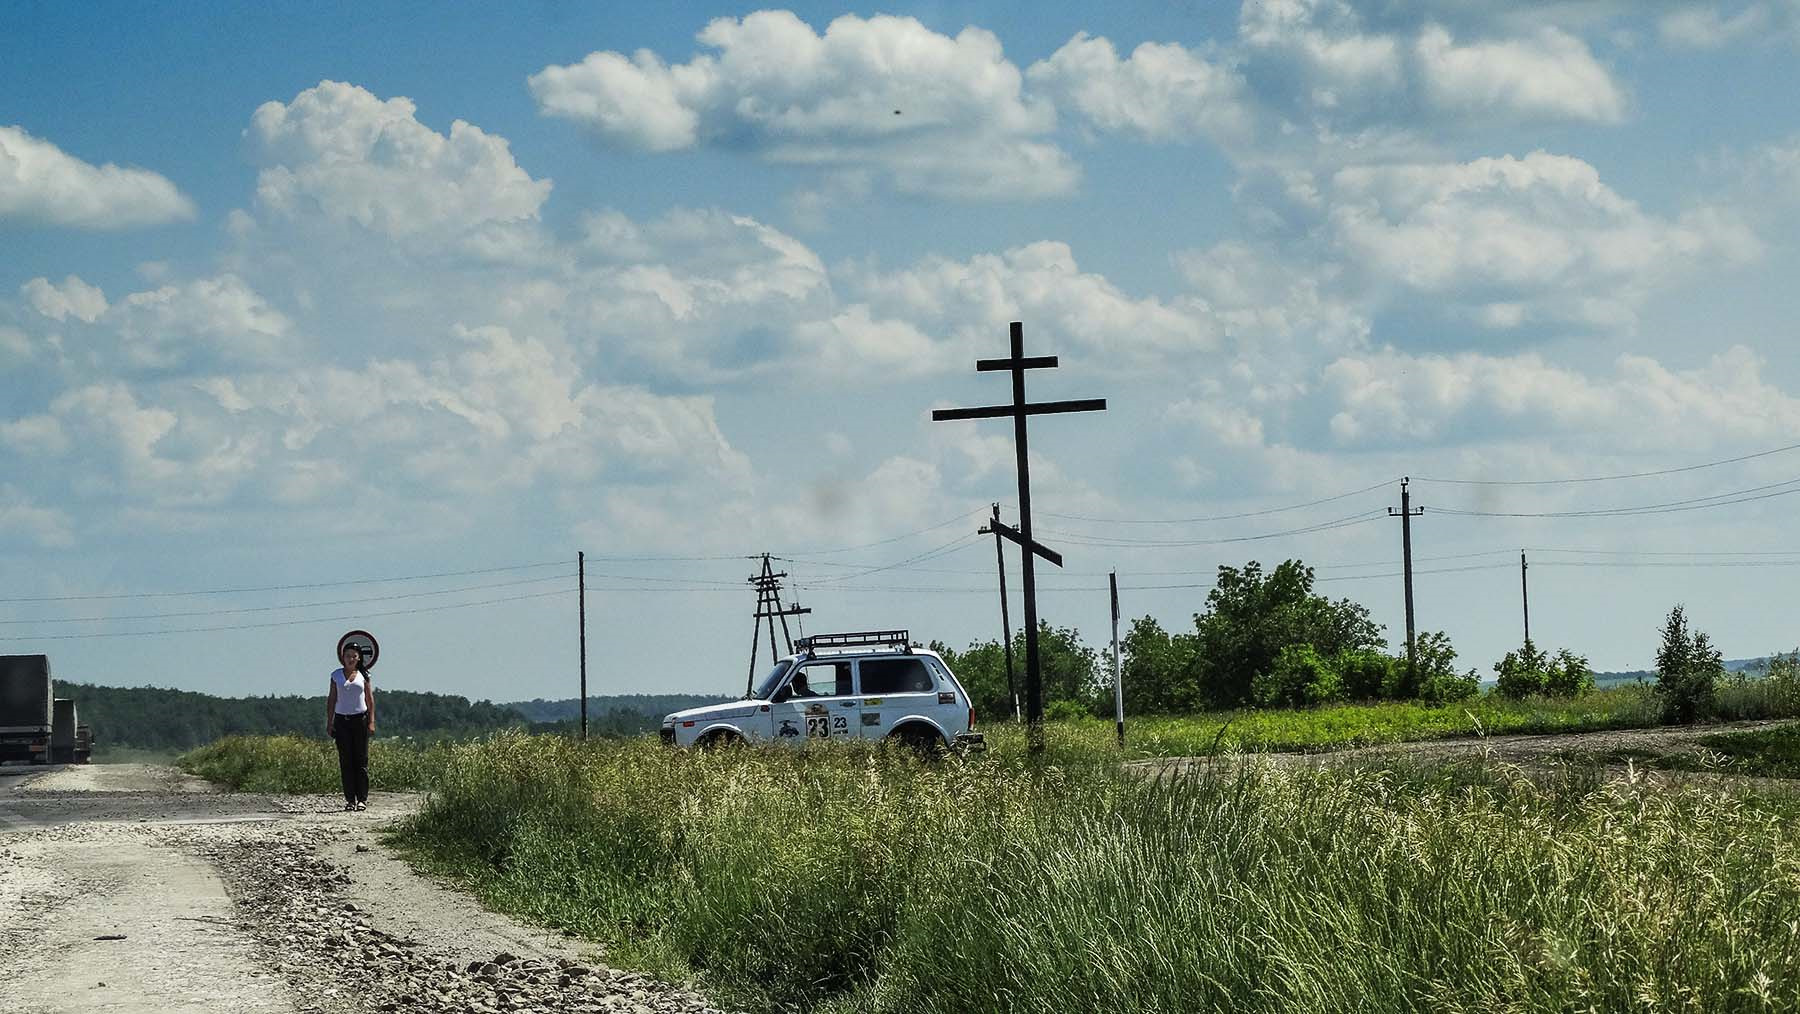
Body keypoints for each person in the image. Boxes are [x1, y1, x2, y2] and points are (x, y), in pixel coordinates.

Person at [325, 643, 375, 811]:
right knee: (346, 760)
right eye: (348, 656)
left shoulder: (364, 675)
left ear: (358, 657)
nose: (351, 659)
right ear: (343, 658)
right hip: (342, 720)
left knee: (360, 760)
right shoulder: (336, 675)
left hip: (360, 719)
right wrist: (329, 721)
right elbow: (332, 699)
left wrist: (371, 721)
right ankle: (350, 799)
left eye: (354, 656)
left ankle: (362, 799)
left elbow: (369, 699)